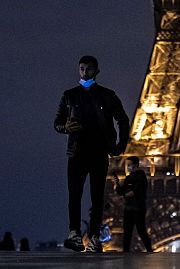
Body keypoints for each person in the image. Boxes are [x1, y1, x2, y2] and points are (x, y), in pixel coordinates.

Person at [55, 55, 130, 252]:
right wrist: (66, 127)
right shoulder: (69, 95)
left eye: (88, 69)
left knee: (96, 196)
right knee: (76, 195)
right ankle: (75, 234)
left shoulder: (107, 95)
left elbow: (123, 119)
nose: (84, 72)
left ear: (96, 71)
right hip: (77, 152)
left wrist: (120, 146)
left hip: (98, 152)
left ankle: (94, 236)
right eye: (81, 68)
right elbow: (57, 123)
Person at [113, 156, 153, 252]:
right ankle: (126, 251)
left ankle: (149, 250)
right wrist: (117, 184)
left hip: (138, 209)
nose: (128, 167)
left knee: (141, 231)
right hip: (129, 208)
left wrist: (129, 193)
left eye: (129, 165)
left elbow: (136, 190)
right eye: (127, 165)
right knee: (128, 232)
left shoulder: (141, 176)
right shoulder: (128, 178)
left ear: (135, 165)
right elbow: (121, 192)